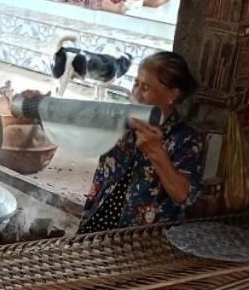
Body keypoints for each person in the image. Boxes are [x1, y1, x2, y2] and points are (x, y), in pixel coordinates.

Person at [79, 51, 205, 233]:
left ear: (172, 94)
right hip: (98, 225)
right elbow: (78, 126)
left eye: (145, 88)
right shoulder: (121, 120)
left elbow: (184, 196)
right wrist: (36, 106)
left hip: (142, 240)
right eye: (136, 83)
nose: (136, 94)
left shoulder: (186, 139)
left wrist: (156, 152)